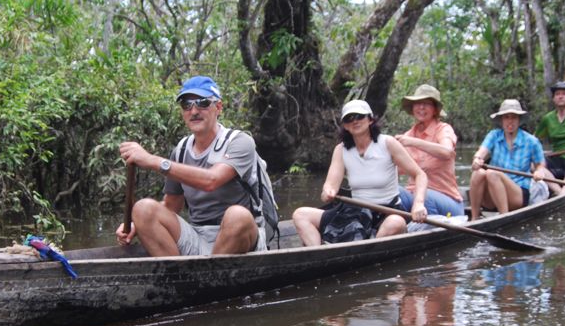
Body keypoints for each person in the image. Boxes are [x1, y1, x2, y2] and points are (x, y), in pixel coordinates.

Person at [116, 76, 267, 257]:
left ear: (218, 107)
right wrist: (136, 224)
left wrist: (153, 160)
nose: (194, 110)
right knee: (142, 208)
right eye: (187, 105)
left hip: (241, 238)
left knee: (237, 215)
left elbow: (212, 180)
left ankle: (206, 279)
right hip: (198, 236)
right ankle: (179, 278)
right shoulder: (180, 151)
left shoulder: (240, 142)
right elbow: (171, 206)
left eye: (202, 103)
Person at [292, 99, 428, 246]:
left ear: (370, 120)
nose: (355, 121)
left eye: (359, 116)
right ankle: (319, 253)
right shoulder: (341, 150)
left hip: (386, 210)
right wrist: (328, 192)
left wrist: (418, 204)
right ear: (345, 125)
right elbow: (330, 185)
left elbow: (420, 174)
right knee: (300, 215)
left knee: (396, 222)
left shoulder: (387, 143)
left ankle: (368, 250)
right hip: (355, 211)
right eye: (349, 118)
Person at [469, 99, 547, 220]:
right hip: (492, 194)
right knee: (478, 173)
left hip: (517, 193)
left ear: (519, 120)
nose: (510, 121)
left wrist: (539, 172)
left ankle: (504, 217)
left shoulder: (531, 141)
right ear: (501, 120)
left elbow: (540, 165)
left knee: (492, 173)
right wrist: (477, 159)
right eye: (506, 117)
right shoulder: (494, 135)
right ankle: (474, 218)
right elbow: (482, 152)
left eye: (514, 117)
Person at [395, 84, 465, 219]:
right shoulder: (408, 135)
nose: (421, 107)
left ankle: (426, 232)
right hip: (415, 197)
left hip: (448, 203)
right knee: (392, 192)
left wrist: (413, 142)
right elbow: (398, 170)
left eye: (426, 103)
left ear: (435, 110)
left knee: (424, 195)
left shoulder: (443, 129)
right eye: (418, 103)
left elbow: (447, 152)